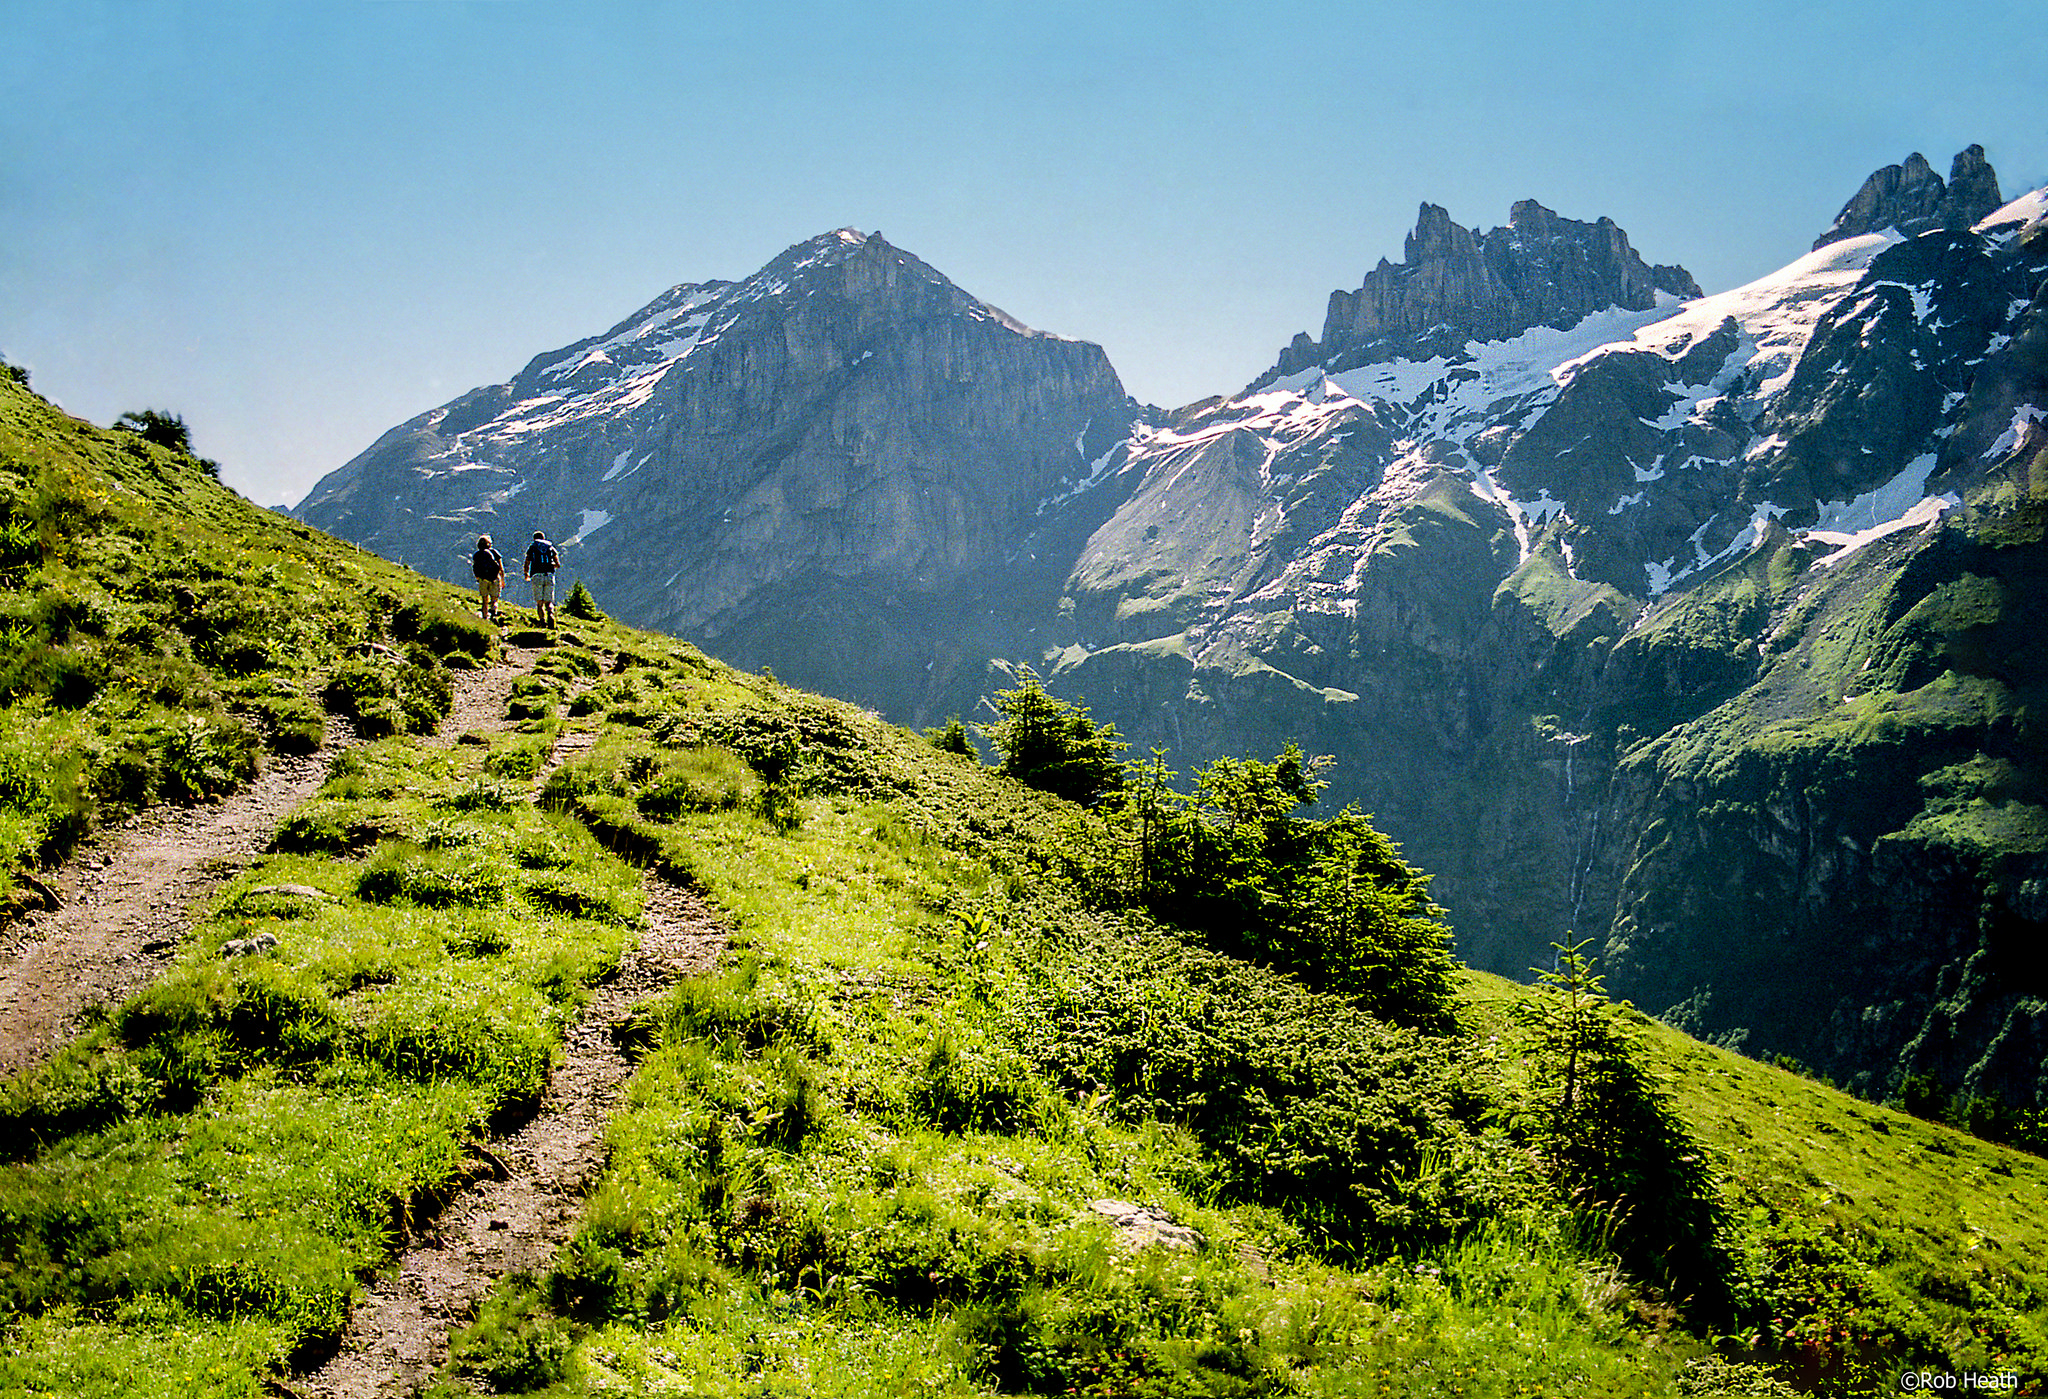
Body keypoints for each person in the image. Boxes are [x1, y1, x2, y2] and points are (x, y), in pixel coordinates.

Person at [523, 530, 561, 628]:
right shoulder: (550, 547)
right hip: (549, 575)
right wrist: (550, 565)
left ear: (534, 538)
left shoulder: (532, 547)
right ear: (543, 538)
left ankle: (542, 622)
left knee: (539, 602)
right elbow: (558, 564)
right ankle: (551, 615)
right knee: (549, 601)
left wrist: (526, 573)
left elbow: (527, 561)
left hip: (536, 575)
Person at [471, 534, 505, 621]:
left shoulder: (477, 554)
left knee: (484, 600)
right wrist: (502, 579)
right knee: (494, 598)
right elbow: (501, 568)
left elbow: (475, 566)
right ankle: (493, 612)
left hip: (483, 578)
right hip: (494, 578)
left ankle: (485, 617)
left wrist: (478, 577)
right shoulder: (494, 552)